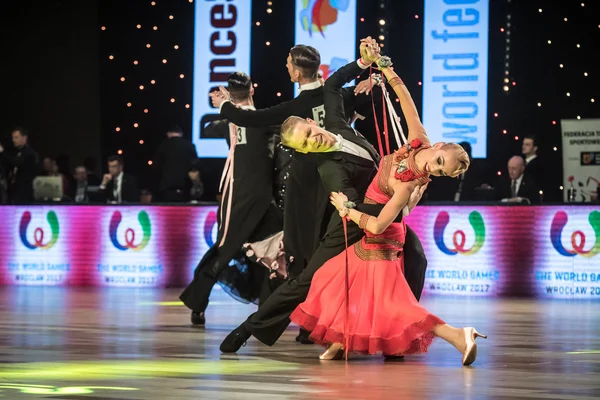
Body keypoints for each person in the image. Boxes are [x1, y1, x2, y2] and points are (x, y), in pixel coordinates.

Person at [218, 41, 428, 354]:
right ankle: (248, 327)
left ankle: (394, 332)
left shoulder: (337, 122)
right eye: (305, 143)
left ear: (313, 123)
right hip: (356, 221)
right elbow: (351, 204)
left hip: (382, 210)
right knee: (305, 280)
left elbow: (332, 84)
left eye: (308, 131)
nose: (312, 139)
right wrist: (393, 202)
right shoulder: (330, 168)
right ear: (303, 150)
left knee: (416, 259)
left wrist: (363, 62)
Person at [289, 37, 485, 366]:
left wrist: (347, 210)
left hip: (381, 239)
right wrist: (385, 68)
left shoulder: (409, 185)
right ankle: (341, 341)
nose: (434, 169)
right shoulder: (418, 137)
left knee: (394, 305)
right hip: (370, 233)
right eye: (439, 161)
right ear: (437, 146)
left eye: (442, 173)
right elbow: (404, 98)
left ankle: (457, 335)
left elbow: (384, 222)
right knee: (336, 280)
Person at [179, 72, 284, 325]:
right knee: (273, 250)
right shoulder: (263, 120)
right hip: (261, 196)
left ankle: (199, 303)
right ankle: (272, 311)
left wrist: (224, 110)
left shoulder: (229, 122)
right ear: (253, 90)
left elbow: (210, 127)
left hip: (236, 194)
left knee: (228, 249)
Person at [154, 125, 198, 202]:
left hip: (166, 189)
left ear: (168, 134)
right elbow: (195, 165)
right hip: (185, 189)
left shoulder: (162, 146)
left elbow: (157, 167)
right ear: (181, 134)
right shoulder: (189, 146)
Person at [0, 127, 39, 204]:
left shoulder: (29, 154)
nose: (14, 140)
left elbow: (16, 163)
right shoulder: (17, 153)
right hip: (14, 192)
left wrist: (2, 152)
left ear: (24, 138)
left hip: (24, 193)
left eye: (16, 137)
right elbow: (10, 164)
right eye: (13, 138)